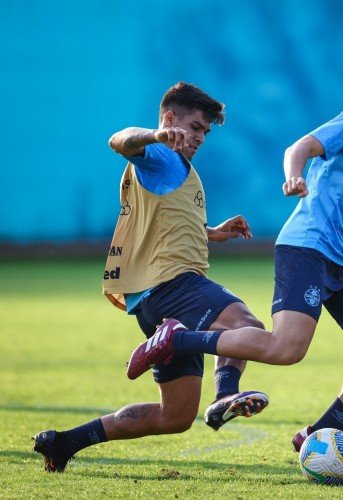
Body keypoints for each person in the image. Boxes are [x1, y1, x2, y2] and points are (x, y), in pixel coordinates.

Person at [124, 62, 343, 451]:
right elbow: (301, 146)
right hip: (308, 246)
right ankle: (177, 342)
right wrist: (294, 174)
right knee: (287, 349)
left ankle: (322, 430)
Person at [32, 82, 269, 472]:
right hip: (174, 285)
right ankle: (225, 393)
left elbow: (167, 221)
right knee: (246, 325)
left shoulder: (176, 168)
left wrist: (212, 231)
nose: (199, 137)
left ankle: (65, 442)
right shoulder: (159, 154)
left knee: (174, 417)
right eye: (194, 127)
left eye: (205, 132)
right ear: (170, 119)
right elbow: (119, 140)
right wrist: (156, 135)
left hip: (154, 300)